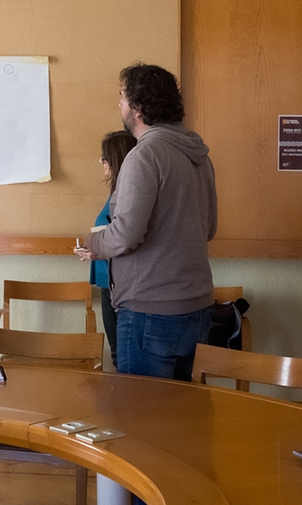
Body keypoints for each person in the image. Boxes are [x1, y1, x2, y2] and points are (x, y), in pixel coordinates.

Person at [77, 63, 217, 382]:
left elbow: (126, 234)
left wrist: (92, 243)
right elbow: (209, 229)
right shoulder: (199, 155)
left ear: (138, 108)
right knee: (181, 417)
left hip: (150, 309)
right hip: (198, 306)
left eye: (122, 98)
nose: (119, 105)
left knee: (140, 419)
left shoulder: (144, 155)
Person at [89, 130, 137, 369]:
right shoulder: (116, 193)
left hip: (119, 285)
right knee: (118, 354)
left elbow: (124, 238)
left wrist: (95, 246)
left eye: (105, 157)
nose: (101, 162)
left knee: (122, 356)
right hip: (107, 281)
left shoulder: (129, 194)